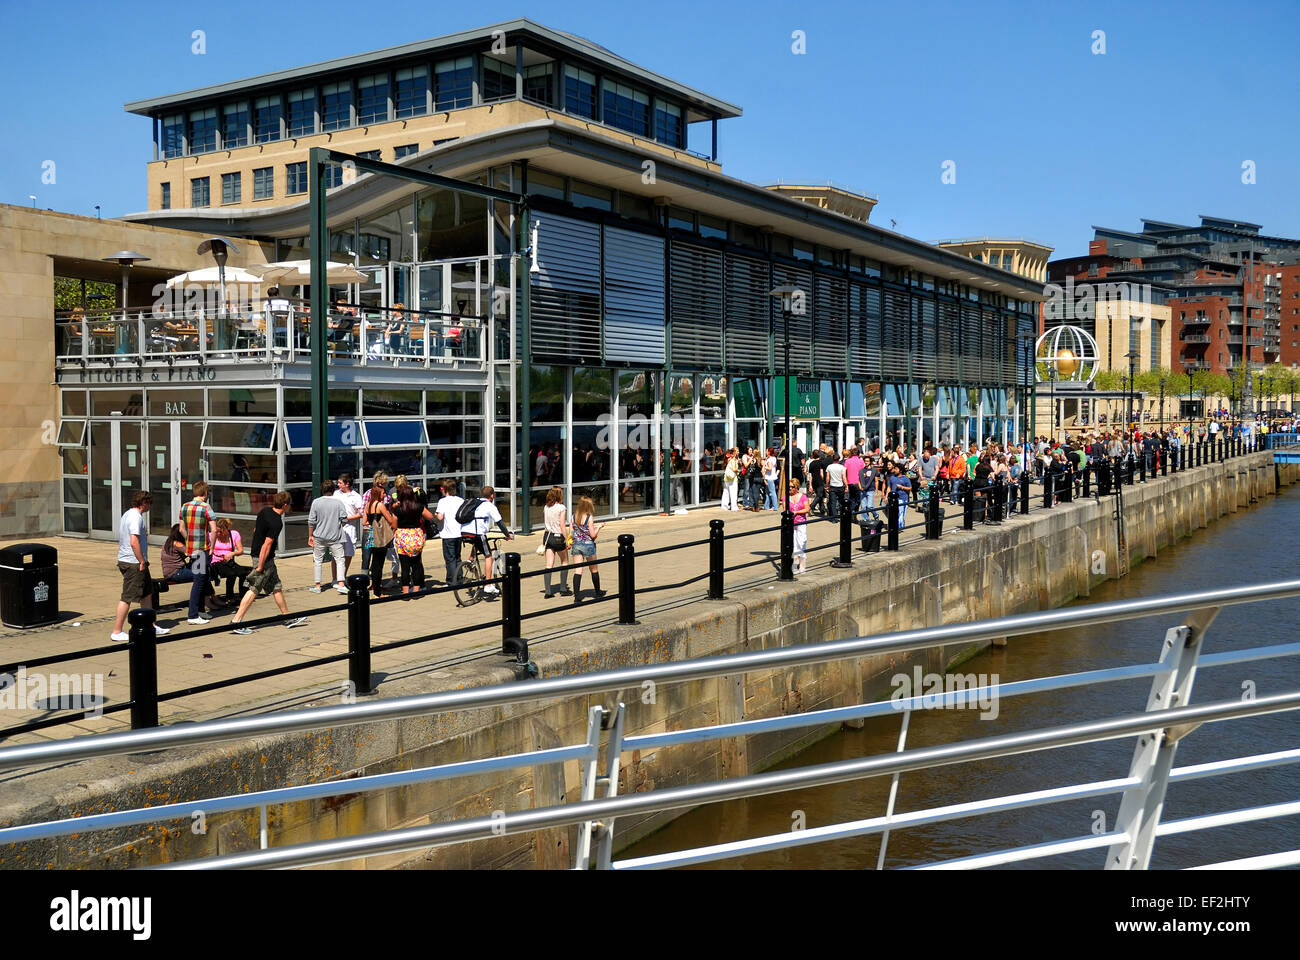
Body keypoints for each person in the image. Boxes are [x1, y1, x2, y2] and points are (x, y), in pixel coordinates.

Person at [230, 492, 307, 634]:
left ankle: (287, 616)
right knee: (254, 589)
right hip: (263, 559)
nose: (289, 507)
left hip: (263, 557)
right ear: (284, 505)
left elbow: (256, 530)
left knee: (276, 587)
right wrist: (260, 566)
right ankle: (236, 621)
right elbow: (267, 544)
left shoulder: (264, 511)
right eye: (288, 505)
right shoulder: (277, 522)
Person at [111, 492, 172, 643]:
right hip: (134, 562)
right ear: (144, 503)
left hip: (134, 561)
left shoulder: (127, 514)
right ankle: (117, 631)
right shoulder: (135, 517)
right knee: (127, 597)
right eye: (150, 503)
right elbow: (134, 541)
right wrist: (141, 561)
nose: (150, 507)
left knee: (146, 594)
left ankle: (151, 625)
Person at [179, 480, 216, 625]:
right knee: (199, 581)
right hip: (202, 549)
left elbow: (181, 529)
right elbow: (214, 529)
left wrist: (189, 540)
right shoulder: (206, 507)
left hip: (191, 549)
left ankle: (200, 610)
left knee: (202, 578)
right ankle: (193, 615)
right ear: (205, 493)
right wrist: (212, 547)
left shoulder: (185, 506)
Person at [307, 479, 348, 594]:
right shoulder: (338, 502)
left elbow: (311, 521)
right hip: (336, 537)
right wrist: (337, 525)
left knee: (317, 560)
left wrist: (310, 535)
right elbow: (344, 519)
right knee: (340, 560)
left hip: (319, 536)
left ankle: (317, 585)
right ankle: (341, 584)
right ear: (333, 490)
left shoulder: (316, 502)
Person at [392, 483, 434, 595]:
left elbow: (394, 525)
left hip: (402, 536)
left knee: (404, 566)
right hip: (416, 535)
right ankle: (416, 591)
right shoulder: (418, 507)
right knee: (416, 564)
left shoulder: (398, 509)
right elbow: (430, 516)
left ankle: (405, 592)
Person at [363, 479, 397, 597]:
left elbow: (364, 522)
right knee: (378, 564)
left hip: (371, 536)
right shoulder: (380, 505)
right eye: (383, 493)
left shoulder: (368, 505)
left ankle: (374, 587)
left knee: (373, 562)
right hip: (380, 538)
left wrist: (372, 523)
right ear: (378, 494)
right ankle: (377, 591)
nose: (384, 495)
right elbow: (390, 519)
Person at [568, 495, 604, 603]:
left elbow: (571, 533)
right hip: (588, 545)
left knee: (578, 570)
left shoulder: (573, 517)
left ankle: (577, 596)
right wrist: (599, 528)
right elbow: (592, 535)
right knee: (594, 569)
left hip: (577, 545)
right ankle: (598, 592)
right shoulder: (589, 517)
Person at [542, 486, 573, 598]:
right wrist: (567, 539)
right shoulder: (561, 508)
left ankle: (548, 591)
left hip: (547, 536)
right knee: (564, 561)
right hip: (558, 537)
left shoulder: (546, 507)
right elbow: (562, 526)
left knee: (549, 564)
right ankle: (563, 588)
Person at [332, 473, 364, 577]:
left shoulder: (356, 496)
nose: (338, 484)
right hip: (336, 528)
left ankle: (342, 577)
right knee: (335, 554)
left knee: (348, 554)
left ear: (347, 484)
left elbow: (361, 513)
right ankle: (335, 578)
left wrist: (347, 518)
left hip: (349, 528)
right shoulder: (336, 494)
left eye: (340, 483)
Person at [434, 478, 465, 587]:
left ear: (444, 489)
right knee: (457, 557)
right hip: (459, 532)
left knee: (450, 559)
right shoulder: (460, 500)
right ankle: (459, 579)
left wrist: (436, 516)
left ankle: (451, 581)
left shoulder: (442, 501)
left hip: (448, 534)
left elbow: (440, 517)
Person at [211, 518, 250, 601]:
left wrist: (232, 553)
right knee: (231, 574)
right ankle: (230, 596)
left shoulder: (234, 534)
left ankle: (243, 595)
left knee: (244, 573)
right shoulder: (212, 535)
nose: (218, 533)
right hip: (216, 561)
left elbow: (240, 551)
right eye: (217, 531)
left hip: (229, 561)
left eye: (220, 532)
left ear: (226, 529)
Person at [786, 478, 810, 575]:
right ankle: (794, 565)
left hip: (801, 522)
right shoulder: (786, 498)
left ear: (797, 487)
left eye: (792, 487)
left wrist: (797, 512)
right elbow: (785, 510)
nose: (790, 489)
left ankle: (802, 564)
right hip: (791, 523)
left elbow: (807, 509)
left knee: (802, 542)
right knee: (793, 544)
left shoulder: (803, 497)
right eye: (789, 487)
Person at [887, 461, 912, 531]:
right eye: (894, 469)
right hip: (893, 498)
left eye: (896, 469)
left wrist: (902, 487)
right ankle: (897, 525)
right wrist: (886, 496)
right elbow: (889, 487)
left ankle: (899, 527)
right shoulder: (892, 477)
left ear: (900, 470)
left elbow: (910, 488)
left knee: (901, 512)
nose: (895, 470)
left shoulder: (905, 478)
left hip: (903, 498)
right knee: (894, 512)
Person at [824, 451, 847, 518]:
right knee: (841, 501)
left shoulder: (829, 467)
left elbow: (828, 477)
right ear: (839, 459)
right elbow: (844, 477)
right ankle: (842, 515)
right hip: (840, 486)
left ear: (833, 459)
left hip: (832, 486)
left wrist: (827, 485)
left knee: (833, 502)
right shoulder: (842, 467)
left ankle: (834, 517)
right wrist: (846, 486)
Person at [721, 447, 740, 512]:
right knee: (733, 493)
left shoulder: (727, 459)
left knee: (726, 492)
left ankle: (724, 506)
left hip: (726, 478)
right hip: (733, 479)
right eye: (736, 451)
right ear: (733, 453)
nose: (737, 453)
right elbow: (734, 469)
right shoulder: (733, 460)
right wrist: (738, 471)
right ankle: (734, 507)